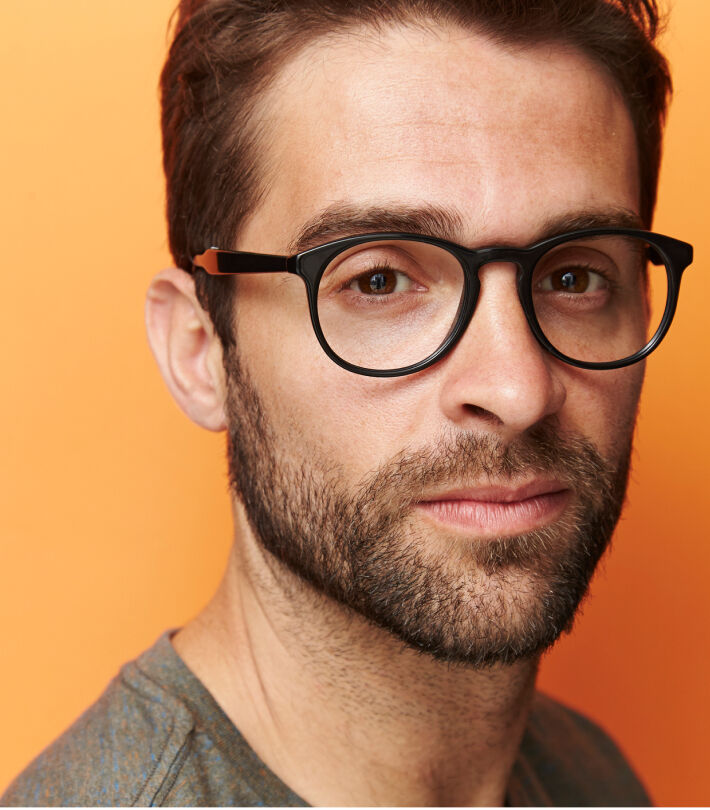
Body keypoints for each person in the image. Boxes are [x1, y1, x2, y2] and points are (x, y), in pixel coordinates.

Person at [1, 0, 695, 806]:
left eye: (573, 276)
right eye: (378, 281)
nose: (517, 388)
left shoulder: (591, 777)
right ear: (201, 351)